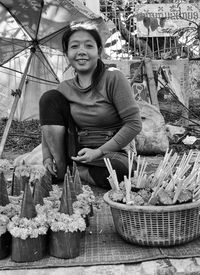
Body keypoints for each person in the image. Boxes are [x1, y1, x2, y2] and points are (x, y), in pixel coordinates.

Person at [39, 20, 142, 188]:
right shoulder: (64, 87)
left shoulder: (113, 78)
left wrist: (98, 152)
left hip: (111, 152)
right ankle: (61, 166)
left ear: (99, 51)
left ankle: (76, 173)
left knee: (124, 173)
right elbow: (48, 127)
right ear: (66, 53)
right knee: (49, 98)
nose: (81, 52)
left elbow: (134, 124)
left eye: (88, 46)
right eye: (74, 47)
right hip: (75, 151)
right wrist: (47, 157)